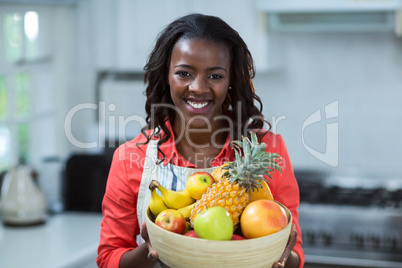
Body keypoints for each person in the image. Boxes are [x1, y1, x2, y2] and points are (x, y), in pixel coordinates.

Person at [96, 13, 304, 268]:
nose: (198, 87)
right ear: (167, 75)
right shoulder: (131, 158)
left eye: (215, 76)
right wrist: (153, 250)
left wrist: (285, 254)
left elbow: (295, 258)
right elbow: (108, 258)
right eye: (184, 73)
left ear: (230, 81)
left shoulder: (266, 149)